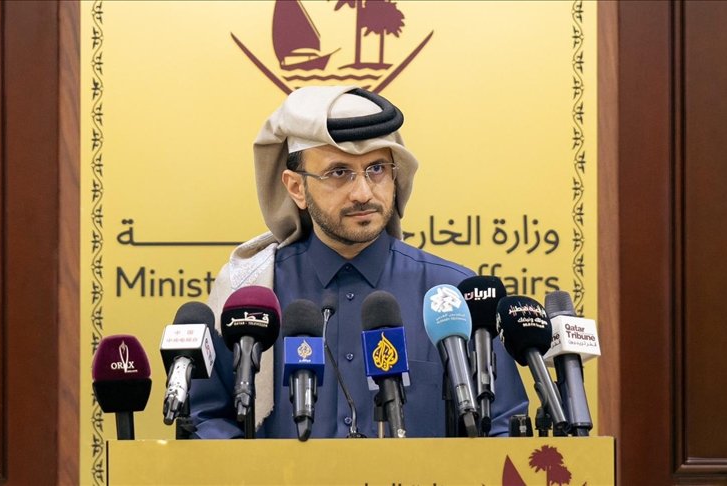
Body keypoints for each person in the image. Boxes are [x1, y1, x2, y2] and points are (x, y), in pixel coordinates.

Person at [188, 86, 528, 438]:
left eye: (377, 169)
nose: (363, 193)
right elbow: (206, 418)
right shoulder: (252, 293)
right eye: (339, 173)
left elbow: (501, 425)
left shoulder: (452, 294)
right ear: (296, 188)